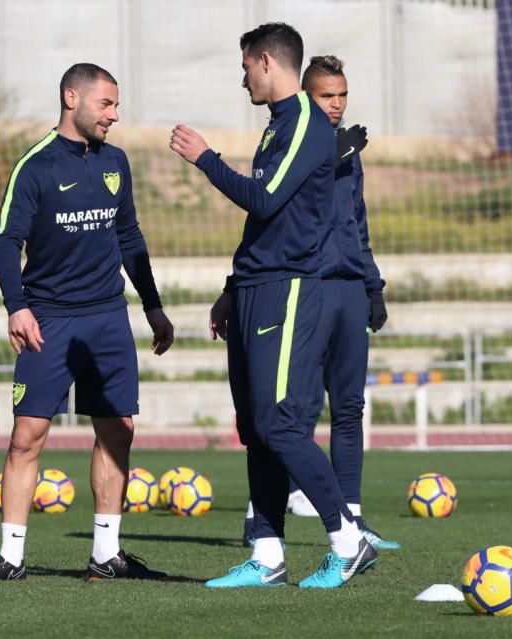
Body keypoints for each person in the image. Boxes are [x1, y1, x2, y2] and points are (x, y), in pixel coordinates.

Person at [170, 23, 374, 589]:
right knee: (255, 429)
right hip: (257, 286)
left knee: (282, 425)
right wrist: (233, 288)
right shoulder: (278, 124)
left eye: (245, 69)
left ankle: (347, 539)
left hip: (288, 289)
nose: (243, 81)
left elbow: (262, 199)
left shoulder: (306, 121)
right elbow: (265, 223)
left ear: (265, 61)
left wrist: (205, 158)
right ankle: (267, 555)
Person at [0, 63, 174, 582]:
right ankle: (10, 558)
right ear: (71, 97)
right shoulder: (33, 167)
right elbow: (7, 243)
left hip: (107, 317)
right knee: (28, 436)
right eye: (106, 104)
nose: (115, 115)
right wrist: (18, 306)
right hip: (49, 319)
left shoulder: (115, 162)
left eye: (116, 105)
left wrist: (152, 305)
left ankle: (106, 555)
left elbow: (130, 237)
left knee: (117, 430)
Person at [235, 55, 400, 551]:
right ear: (307, 95)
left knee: (349, 407)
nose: (337, 104)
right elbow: (270, 210)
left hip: (348, 286)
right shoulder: (306, 140)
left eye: (342, 95)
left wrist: (373, 285)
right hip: (306, 286)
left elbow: (357, 221)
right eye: (327, 95)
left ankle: (352, 514)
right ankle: (262, 514)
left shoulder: (349, 150)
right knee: (294, 408)